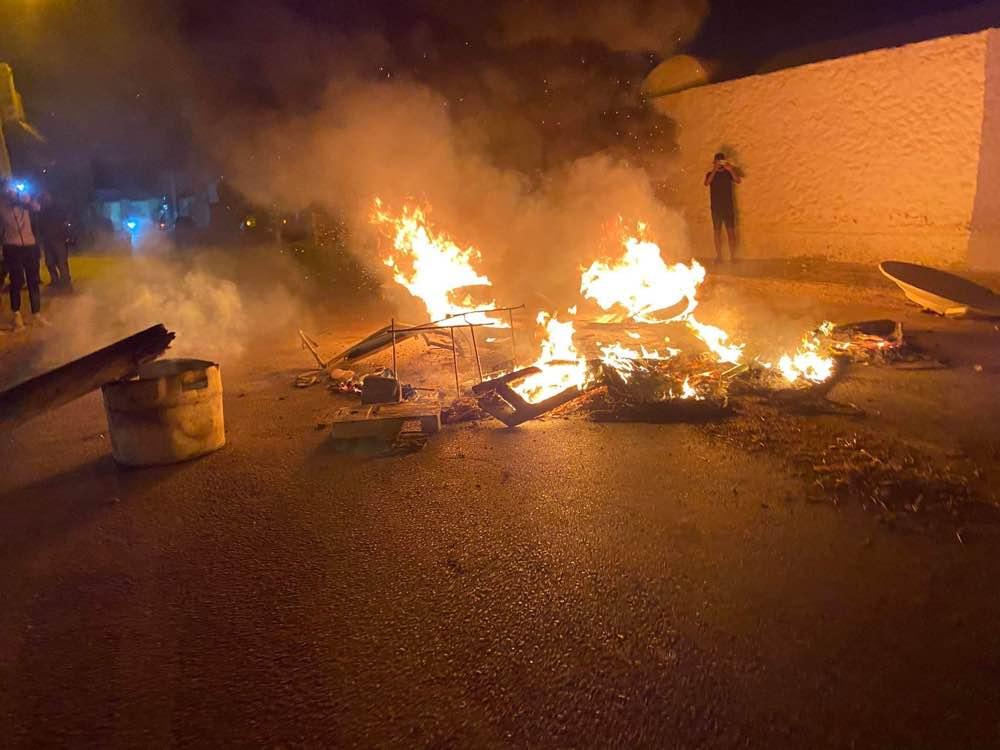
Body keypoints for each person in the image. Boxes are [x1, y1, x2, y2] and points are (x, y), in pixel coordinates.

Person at [0, 180, 48, 330]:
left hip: (30, 245)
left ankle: (37, 314)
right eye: (8, 189)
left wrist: (26, 198)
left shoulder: (24, 200)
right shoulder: (2, 204)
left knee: (33, 281)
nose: (11, 191)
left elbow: (37, 208)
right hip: (12, 247)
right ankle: (17, 316)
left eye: (12, 188)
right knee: (17, 281)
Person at [704, 152, 741, 261]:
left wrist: (730, 169)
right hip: (716, 208)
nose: (720, 164)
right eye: (717, 162)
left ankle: (733, 256)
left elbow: (738, 180)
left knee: (731, 232)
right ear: (714, 162)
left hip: (728, 206)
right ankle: (719, 256)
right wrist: (715, 170)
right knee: (717, 232)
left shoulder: (728, 173)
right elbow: (707, 183)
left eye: (721, 162)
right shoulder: (710, 173)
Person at [37, 192, 72, 291]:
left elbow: (66, 221)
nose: (45, 200)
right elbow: (40, 225)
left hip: (59, 239)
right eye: (43, 199)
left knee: (61, 262)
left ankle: (65, 282)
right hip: (48, 240)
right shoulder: (42, 211)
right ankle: (55, 280)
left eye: (46, 198)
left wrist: (65, 233)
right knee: (49, 262)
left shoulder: (58, 209)